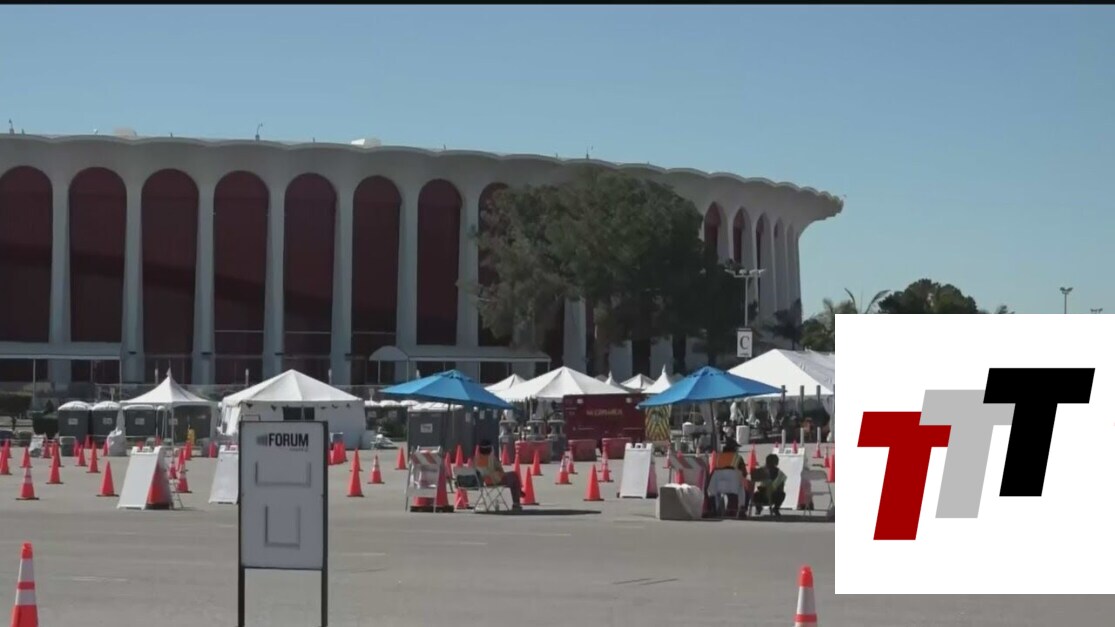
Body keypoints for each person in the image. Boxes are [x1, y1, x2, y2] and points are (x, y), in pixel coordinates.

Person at [473, 439, 523, 511]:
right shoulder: (491, 459)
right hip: (495, 480)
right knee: (514, 476)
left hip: (483, 481)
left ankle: (519, 491)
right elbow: (500, 470)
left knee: (513, 477)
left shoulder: (476, 459)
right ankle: (516, 502)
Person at [705, 439, 749, 518]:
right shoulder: (737, 457)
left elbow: (713, 470)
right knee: (741, 489)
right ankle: (739, 510)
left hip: (718, 482)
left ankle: (712, 510)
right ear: (734, 449)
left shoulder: (718, 456)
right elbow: (744, 473)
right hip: (733, 481)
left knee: (712, 493)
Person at [751, 453, 787, 517]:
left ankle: (775, 509)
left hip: (773, 495)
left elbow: (781, 488)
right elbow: (753, 480)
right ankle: (759, 508)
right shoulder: (762, 471)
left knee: (782, 494)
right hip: (763, 495)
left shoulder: (780, 474)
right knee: (756, 494)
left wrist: (771, 490)